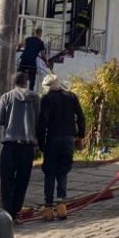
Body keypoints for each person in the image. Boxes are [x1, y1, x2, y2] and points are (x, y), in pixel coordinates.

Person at [36, 73, 86, 221]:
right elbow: (81, 117)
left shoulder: (47, 98)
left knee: (50, 172)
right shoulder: (71, 96)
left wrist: (41, 143)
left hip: (53, 139)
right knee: (63, 171)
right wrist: (80, 136)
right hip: (68, 139)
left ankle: (48, 207)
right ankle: (62, 204)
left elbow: (42, 123)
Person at [0, 71, 39, 224]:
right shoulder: (34, 98)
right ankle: (15, 213)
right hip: (27, 147)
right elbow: (39, 120)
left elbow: (0, 119)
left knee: (6, 180)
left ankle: (7, 214)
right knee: (22, 180)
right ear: (26, 83)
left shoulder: (7, 97)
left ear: (13, 83)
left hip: (9, 145)